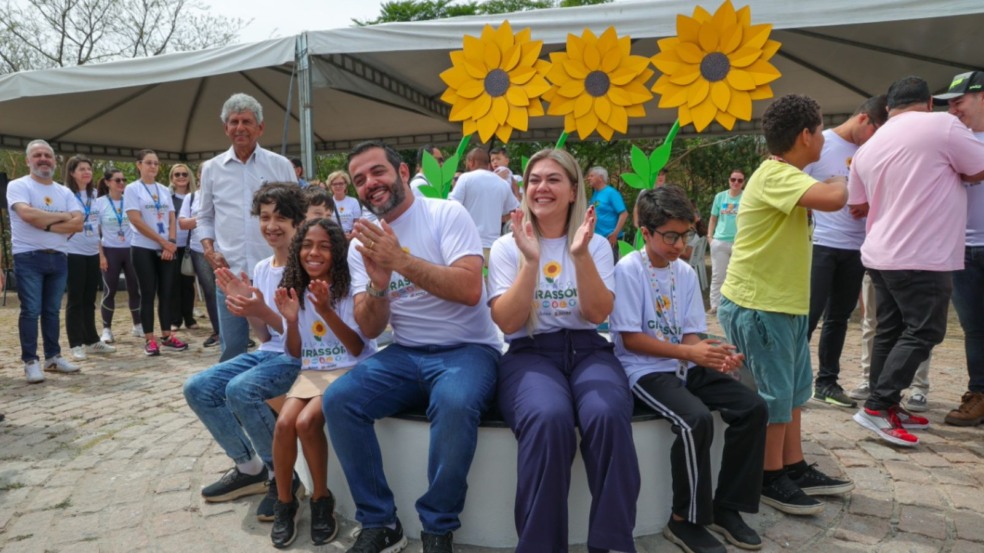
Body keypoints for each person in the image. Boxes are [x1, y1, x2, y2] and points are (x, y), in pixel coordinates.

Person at [322, 141, 501, 553]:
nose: (370, 184)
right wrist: (380, 283)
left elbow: (471, 289)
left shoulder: (445, 214)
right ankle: (380, 522)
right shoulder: (359, 244)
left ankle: (438, 527)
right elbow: (369, 327)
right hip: (406, 352)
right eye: (360, 180)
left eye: (377, 172)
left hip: (468, 349)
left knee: (455, 404)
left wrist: (399, 261)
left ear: (402, 173)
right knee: (340, 400)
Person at [487, 148, 639, 553]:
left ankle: (611, 544)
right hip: (530, 353)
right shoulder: (506, 247)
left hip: (589, 350)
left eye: (553, 179)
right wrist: (531, 262)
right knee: (548, 417)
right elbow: (507, 322)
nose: (541, 187)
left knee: (607, 414)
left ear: (574, 190)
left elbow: (597, 313)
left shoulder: (596, 246)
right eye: (534, 179)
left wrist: (579, 255)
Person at [718, 95, 854, 516]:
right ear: (805, 136)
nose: (824, 141)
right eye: (820, 132)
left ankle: (791, 465)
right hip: (761, 305)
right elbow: (835, 199)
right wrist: (844, 177)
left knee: (794, 392)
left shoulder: (786, 174)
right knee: (777, 396)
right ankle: (769, 476)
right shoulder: (776, 174)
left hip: (784, 305)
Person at [612, 185, 767, 553]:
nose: (680, 244)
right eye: (670, 236)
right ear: (645, 232)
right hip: (645, 371)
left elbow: (692, 334)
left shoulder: (683, 272)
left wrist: (714, 354)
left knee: (753, 407)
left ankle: (728, 508)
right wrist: (692, 352)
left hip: (684, 362)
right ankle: (684, 520)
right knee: (694, 419)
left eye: (686, 235)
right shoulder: (629, 270)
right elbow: (631, 341)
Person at [848, 76, 984, 446]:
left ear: (889, 108)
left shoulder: (868, 147)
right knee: (924, 331)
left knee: (889, 331)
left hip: (880, 253)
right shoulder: (942, 125)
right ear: (927, 103)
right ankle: (878, 406)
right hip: (922, 254)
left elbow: (857, 203)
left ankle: (886, 403)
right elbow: (977, 169)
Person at [183, 183, 306, 521]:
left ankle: (283, 476)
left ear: (298, 222)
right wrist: (246, 305)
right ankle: (248, 466)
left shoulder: (306, 266)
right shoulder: (264, 267)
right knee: (198, 387)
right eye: (265, 217)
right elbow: (264, 334)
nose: (271, 225)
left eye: (281, 217)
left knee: (242, 390)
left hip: (301, 357)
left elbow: (301, 338)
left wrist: (262, 310)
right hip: (269, 353)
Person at [269, 218, 376, 548]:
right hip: (313, 371)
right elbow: (295, 353)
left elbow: (357, 347)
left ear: (337, 253)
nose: (314, 252)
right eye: (307, 245)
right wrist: (290, 321)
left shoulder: (346, 291)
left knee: (306, 421)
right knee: (284, 423)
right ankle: (285, 503)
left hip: (348, 368)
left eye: (324, 246)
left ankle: (321, 499)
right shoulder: (298, 291)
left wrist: (327, 309)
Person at [198, 92, 298, 362]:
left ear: (260, 127)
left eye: (246, 121)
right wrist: (209, 250)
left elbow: (298, 215)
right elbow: (204, 216)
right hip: (230, 273)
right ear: (225, 128)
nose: (239, 128)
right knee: (232, 347)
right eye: (233, 122)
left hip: (276, 272)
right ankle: (230, 401)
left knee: (285, 341)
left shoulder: (279, 165)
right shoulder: (211, 169)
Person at [802, 96, 888, 408]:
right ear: (864, 119)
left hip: (856, 247)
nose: (877, 140)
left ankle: (826, 381)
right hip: (822, 244)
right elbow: (795, 185)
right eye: (877, 131)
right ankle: (794, 379)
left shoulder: (872, 150)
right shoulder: (820, 143)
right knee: (807, 317)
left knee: (839, 317)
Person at [7, 139, 82, 383]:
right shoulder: (18, 186)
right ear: (29, 160)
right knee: (30, 310)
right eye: (37, 155)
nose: (43, 159)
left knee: (51, 310)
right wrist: (61, 218)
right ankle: (30, 361)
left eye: (47, 155)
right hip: (28, 256)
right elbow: (26, 214)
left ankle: (53, 357)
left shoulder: (64, 191)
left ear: (54, 160)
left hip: (59, 257)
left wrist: (45, 222)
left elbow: (78, 223)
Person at [936, 71, 984, 427]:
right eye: (948, 102)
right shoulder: (951, 140)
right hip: (963, 248)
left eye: (958, 100)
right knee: (974, 329)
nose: (952, 108)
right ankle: (978, 393)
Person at [125, 149, 189, 356]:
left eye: (156, 163)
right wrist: (162, 242)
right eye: (148, 162)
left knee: (167, 292)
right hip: (143, 247)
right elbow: (135, 219)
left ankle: (167, 335)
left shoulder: (163, 189)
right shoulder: (133, 189)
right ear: (139, 165)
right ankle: (149, 339)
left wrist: (170, 242)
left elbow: (171, 217)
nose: (153, 166)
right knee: (148, 293)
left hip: (166, 247)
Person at [63, 155, 116, 360]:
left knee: (89, 298)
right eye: (81, 169)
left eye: (89, 169)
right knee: (75, 299)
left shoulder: (95, 195)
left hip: (92, 251)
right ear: (71, 173)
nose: (86, 172)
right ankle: (75, 344)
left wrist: (101, 253)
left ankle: (92, 340)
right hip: (73, 251)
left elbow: (99, 227)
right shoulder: (66, 194)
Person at [448, 148, 520, 264]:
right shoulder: (502, 183)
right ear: (488, 164)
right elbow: (514, 211)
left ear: (471, 162)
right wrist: (495, 217)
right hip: (494, 247)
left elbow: (452, 207)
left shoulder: (465, 178)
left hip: (468, 245)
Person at [96, 169, 143, 343]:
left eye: (124, 179)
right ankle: (107, 329)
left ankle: (138, 325)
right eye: (117, 180)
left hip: (131, 249)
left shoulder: (130, 201)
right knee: (110, 290)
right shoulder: (99, 203)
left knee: (135, 289)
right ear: (108, 182)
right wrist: (101, 256)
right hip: (110, 251)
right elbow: (95, 232)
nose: (122, 183)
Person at [178, 174, 221, 348]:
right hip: (199, 250)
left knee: (231, 292)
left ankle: (234, 333)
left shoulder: (224, 194)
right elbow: (182, 223)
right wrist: (204, 219)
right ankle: (218, 332)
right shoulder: (192, 197)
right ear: (198, 177)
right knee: (210, 292)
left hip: (226, 250)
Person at [706, 170, 744, 315]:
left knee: (737, 276)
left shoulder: (746, 197)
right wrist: (710, 237)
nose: (736, 183)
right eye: (733, 179)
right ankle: (715, 305)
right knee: (718, 275)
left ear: (743, 183)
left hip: (738, 243)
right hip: (720, 241)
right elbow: (713, 218)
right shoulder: (720, 197)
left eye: (740, 180)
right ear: (729, 180)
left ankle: (734, 306)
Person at [169, 164, 198, 332]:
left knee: (188, 282)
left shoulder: (195, 197)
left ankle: (189, 317)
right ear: (172, 178)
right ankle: (175, 319)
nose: (181, 177)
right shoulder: (167, 198)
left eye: (184, 174)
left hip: (190, 245)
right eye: (177, 174)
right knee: (172, 283)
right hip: (171, 244)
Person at [587, 166, 628, 259]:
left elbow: (624, 214)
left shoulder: (611, 193)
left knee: (610, 266)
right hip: (596, 237)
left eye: (591, 176)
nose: (589, 178)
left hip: (610, 238)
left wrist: (615, 234)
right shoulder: (596, 193)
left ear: (600, 178)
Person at [326, 170, 361, 239]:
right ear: (330, 186)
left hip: (350, 238)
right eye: (335, 184)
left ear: (346, 184)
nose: (338, 186)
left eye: (341, 183)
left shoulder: (353, 201)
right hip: (332, 238)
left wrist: (351, 236)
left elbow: (357, 223)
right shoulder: (327, 202)